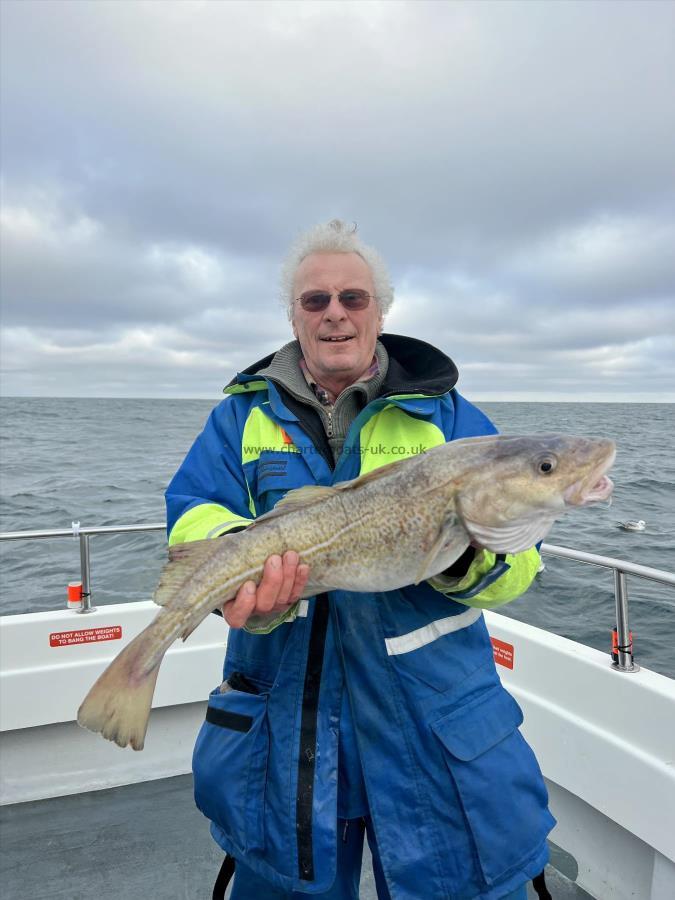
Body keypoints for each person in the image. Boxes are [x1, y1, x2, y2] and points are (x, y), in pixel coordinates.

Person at [165, 220, 555, 900]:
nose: (335, 314)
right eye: (315, 301)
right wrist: (246, 587)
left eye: (353, 297)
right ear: (292, 315)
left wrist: (459, 559)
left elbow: (522, 565)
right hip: (284, 727)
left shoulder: (449, 420)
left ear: (380, 310)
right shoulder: (238, 419)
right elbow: (193, 514)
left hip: (433, 725)